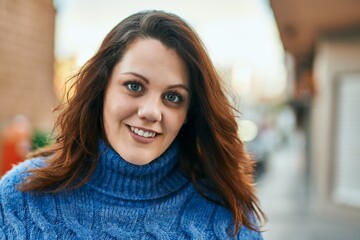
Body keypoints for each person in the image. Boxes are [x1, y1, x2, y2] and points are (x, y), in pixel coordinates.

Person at [0, 10, 266, 239]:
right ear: (101, 89)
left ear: (189, 113)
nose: (151, 112)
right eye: (134, 86)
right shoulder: (20, 199)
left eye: (172, 97)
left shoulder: (228, 217)